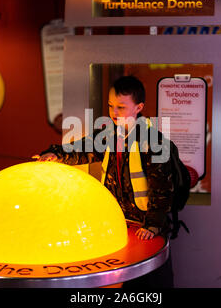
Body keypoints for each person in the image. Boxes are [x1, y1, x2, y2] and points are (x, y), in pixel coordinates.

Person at [33, 75, 174, 287]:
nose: (114, 113)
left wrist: (153, 224)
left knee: (151, 280)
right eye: (110, 106)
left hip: (147, 228)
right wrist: (55, 154)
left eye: (121, 107)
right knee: (124, 279)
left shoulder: (154, 141)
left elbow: (162, 188)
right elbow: (82, 147)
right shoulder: (109, 135)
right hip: (121, 224)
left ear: (139, 107)